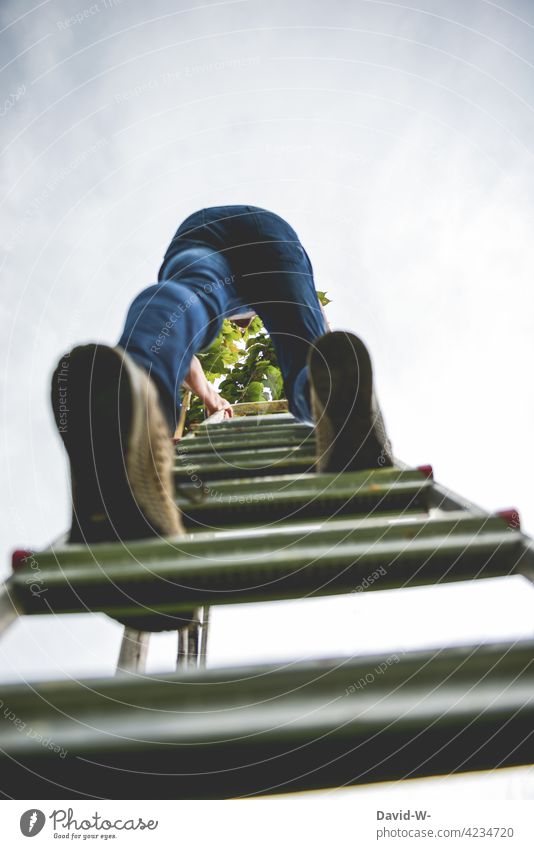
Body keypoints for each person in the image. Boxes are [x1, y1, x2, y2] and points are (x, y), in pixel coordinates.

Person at [51, 205, 392, 545]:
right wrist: (321, 340)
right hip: (274, 231)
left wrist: (207, 396)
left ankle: (144, 388)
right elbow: (311, 317)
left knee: (190, 298)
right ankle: (328, 396)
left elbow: (185, 358)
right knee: (303, 341)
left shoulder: (226, 294)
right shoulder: (257, 295)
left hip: (202, 228)